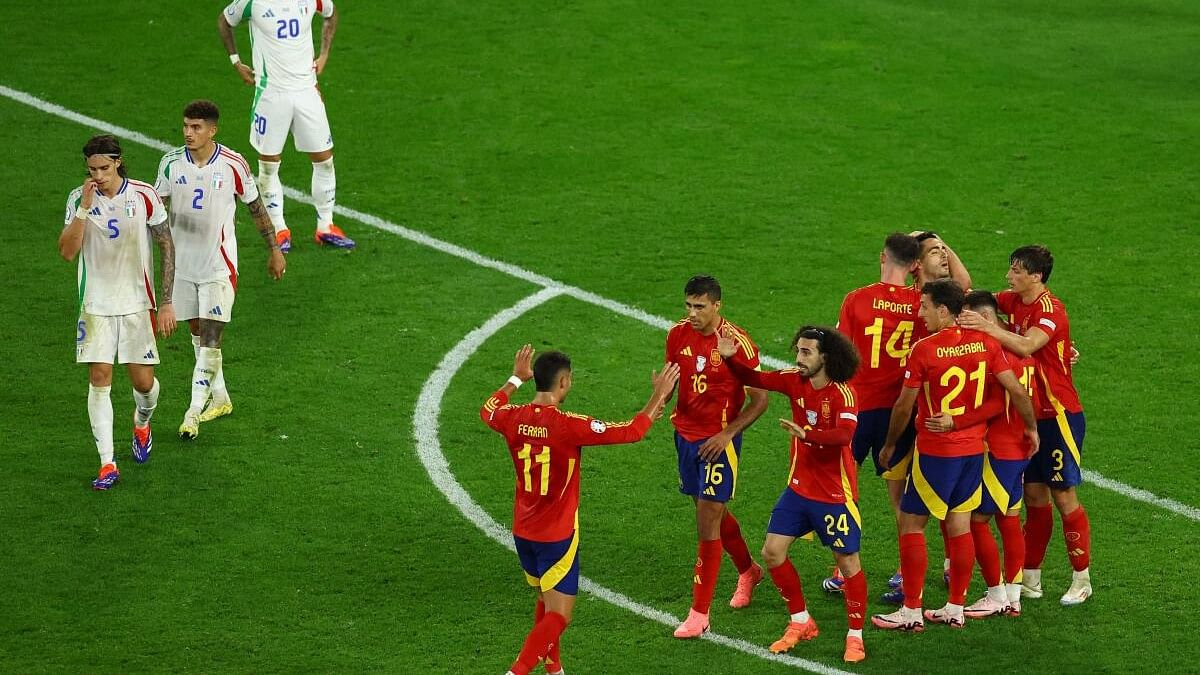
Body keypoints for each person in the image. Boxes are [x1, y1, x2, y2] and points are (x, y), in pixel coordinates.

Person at [481, 345, 680, 675]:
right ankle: (516, 672)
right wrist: (658, 396)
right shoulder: (567, 425)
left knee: (546, 599)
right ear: (564, 382)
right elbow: (633, 431)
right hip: (557, 535)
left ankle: (554, 668)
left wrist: (516, 377)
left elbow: (487, 409)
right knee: (560, 614)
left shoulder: (512, 417)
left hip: (523, 530)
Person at [871, 279, 1037, 631]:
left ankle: (911, 610)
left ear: (943, 310)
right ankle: (955, 606)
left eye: (925, 307)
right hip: (973, 453)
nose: (921, 313)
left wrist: (889, 443)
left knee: (912, 525)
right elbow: (1016, 392)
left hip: (936, 454)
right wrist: (1032, 428)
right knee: (960, 526)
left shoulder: (924, 349)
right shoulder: (986, 344)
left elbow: (903, 406)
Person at [719, 325, 868, 664]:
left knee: (848, 565)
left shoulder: (843, 394)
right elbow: (754, 379)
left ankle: (855, 636)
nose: (798, 358)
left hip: (834, 495)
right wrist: (731, 361)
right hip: (799, 490)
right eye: (798, 350)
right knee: (772, 552)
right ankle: (801, 621)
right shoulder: (793, 381)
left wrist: (808, 433)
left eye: (806, 353)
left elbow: (844, 436)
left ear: (825, 358)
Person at [958, 245, 1092, 606]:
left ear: (1036, 276)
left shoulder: (1051, 310)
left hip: (1058, 413)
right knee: (1034, 496)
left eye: (1016, 270)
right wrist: (938, 245)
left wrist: (989, 327)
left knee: (1063, 494)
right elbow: (970, 294)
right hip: (1028, 414)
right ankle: (1032, 577)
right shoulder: (1013, 300)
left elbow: (1029, 343)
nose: (1009, 276)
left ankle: (1082, 578)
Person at [154, 100, 285, 439]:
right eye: (185, 126)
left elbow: (256, 207)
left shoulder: (233, 164)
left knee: (211, 338)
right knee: (197, 331)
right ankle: (221, 398)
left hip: (218, 265)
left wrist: (274, 249)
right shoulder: (170, 163)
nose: (188, 132)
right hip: (182, 266)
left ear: (212, 130)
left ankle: (193, 412)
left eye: (196, 127)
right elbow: (156, 212)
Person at [60, 135, 178, 489]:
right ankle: (107, 463)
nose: (98, 175)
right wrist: (83, 207)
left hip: (136, 304)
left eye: (104, 168)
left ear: (118, 162)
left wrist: (167, 302)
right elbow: (67, 252)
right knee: (99, 379)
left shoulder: (143, 195)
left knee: (144, 384)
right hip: (95, 304)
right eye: (92, 170)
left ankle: (142, 422)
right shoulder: (78, 199)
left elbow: (166, 245)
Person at [665, 275, 769, 639]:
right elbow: (674, 376)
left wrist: (727, 435)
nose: (692, 313)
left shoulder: (737, 344)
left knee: (707, 520)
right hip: (685, 437)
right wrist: (662, 395)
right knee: (709, 510)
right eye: (688, 306)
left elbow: (761, 400)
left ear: (717, 305)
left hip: (718, 442)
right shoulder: (677, 333)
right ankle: (748, 570)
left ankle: (699, 613)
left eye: (699, 307)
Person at [924, 290, 1037, 619]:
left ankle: (995, 594)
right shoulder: (1020, 348)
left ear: (986, 320)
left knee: (975, 520)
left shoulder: (993, 354)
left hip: (998, 449)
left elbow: (992, 403)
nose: (963, 326)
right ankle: (1012, 597)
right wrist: (1032, 430)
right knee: (1010, 519)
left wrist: (955, 420)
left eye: (968, 319)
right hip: (1020, 448)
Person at [823, 233, 921, 597]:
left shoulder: (857, 300)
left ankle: (844, 569)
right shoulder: (920, 304)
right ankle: (902, 571)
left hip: (856, 410)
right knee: (900, 499)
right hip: (899, 412)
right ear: (914, 265)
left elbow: (837, 354)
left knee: (843, 491)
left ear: (882, 257)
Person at [219, 0, 355, 251]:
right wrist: (236, 62)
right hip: (271, 94)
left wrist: (324, 54)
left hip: (306, 91)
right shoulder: (251, 3)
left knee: (324, 160)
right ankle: (279, 229)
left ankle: (325, 226)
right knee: (269, 167)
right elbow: (225, 22)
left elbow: (331, 12)